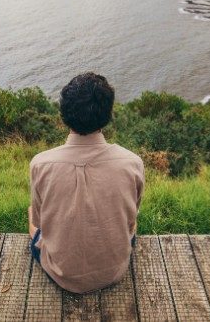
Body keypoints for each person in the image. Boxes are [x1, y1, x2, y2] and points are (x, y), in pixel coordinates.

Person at [28, 72, 145, 294]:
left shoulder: (41, 164)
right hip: (114, 270)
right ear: (108, 114)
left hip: (61, 273)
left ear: (64, 115)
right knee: (130, 223)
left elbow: (40, 222)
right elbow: (130, 221)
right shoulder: (132, 163)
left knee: (30, 215)